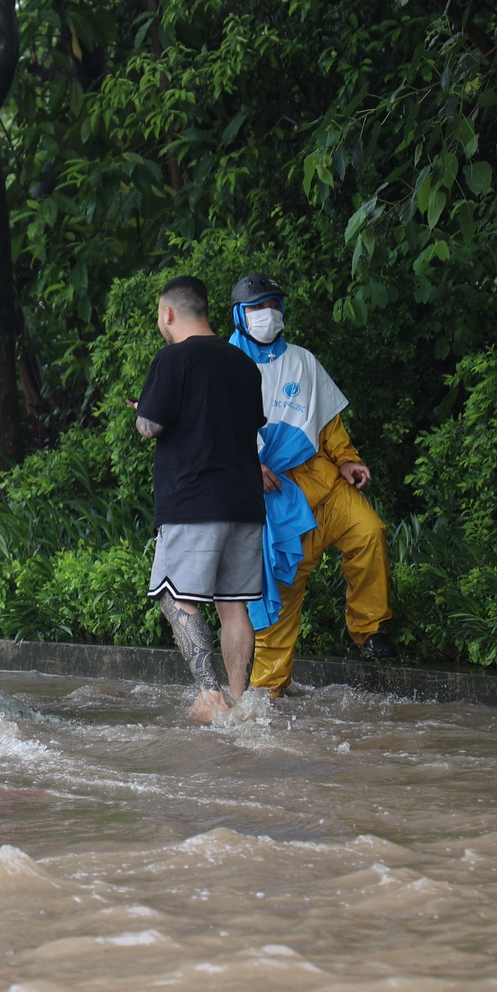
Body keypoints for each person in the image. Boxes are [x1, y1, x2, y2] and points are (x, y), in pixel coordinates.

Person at [225, 273, 396, 694]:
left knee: (369, 532)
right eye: (258, 307)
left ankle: (370, 627)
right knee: (281, 600)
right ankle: (265, 701)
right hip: (272, 498)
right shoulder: (224, 365)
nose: (268, 314)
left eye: (274, 305)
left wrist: (348, 460)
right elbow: (214, 435)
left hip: (323, 482)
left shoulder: (303, 360)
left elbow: (328, 422)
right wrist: (247, 469)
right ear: (238, 315)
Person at [133, 275, 267, 725]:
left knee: (174, 597)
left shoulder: (173, 359)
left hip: (193, 501)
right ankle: (241, 700)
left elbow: (151, 426)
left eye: (159, 314)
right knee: (234, 604)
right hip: (245, 502)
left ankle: (210, 696)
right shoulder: (245, 364)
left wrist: (143, 414)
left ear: (168, 313)